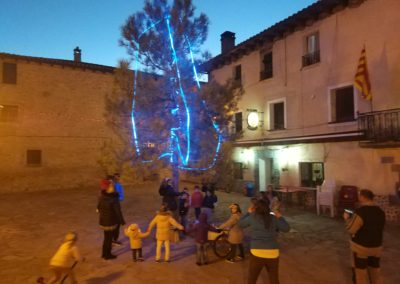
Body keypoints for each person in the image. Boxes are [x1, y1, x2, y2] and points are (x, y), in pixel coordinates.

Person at [238, 199, 290, 284]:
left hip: (257, 252)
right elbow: (286, 228)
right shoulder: (273, 218)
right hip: (273, 252)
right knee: (274, 279)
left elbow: (240, 224)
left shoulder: (253, 217)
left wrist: (248, 213)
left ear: (256, 208)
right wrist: (280, 217)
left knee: (252, 278)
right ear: (268, 207)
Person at [343, 189, 385, 284]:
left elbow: (351, 229)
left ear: (362, 197)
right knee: (375, 272)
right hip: (377, 247)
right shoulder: (381, 212)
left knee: (360, 274)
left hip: (361, 248)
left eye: (359, 195)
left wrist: (346, 219)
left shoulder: (360, 212)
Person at [97, 179, 125, 260]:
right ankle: (107, 255)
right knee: (109, 239)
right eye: (111, 185)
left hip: (103, 221)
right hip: (110, 221)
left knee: (106, 238)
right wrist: (122, 221)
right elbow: (118, 211)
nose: (113, 186)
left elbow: (98, 207)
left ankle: (104, 253)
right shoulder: (113, 199)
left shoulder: (102, 196)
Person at [112, 173, 124, 246]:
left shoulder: (118, 186)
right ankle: (113, 240)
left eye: (118, 177)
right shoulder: (114, 186)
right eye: (116, 177)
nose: (117, 179)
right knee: (115, 224)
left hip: (116, 204)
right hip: (114, 205)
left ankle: (114, 239)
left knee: (116, 224)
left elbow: (121, 196)